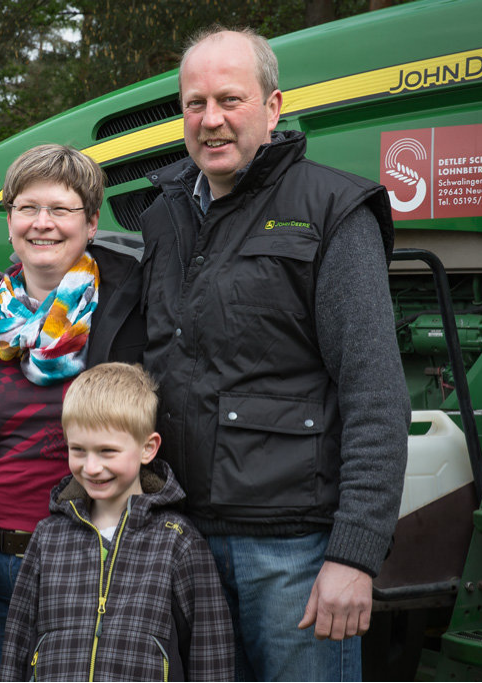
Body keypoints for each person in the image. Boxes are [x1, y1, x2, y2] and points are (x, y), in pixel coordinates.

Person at [139, 27, 410, 681]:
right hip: (185, 537)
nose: (211, 121)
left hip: (295, 549)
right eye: (194, 104)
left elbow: (375, 390)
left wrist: (355, 554)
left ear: (274, 105)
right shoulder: (165, 214)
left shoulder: (333, 211)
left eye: (230, 100)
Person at [0, 144, 147, 681]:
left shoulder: (134, 314)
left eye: (60, 210)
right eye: (26, 208)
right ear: (11, 220)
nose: (42, 224)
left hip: (102, 566)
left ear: (91, 224)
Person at [0, 362, 235, 682]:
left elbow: (211, 654)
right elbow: (17, 644)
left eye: (107, 451)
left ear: (147, 448)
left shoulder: (178, 540)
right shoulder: (48, 537)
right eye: (78, 450)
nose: (91, 467)